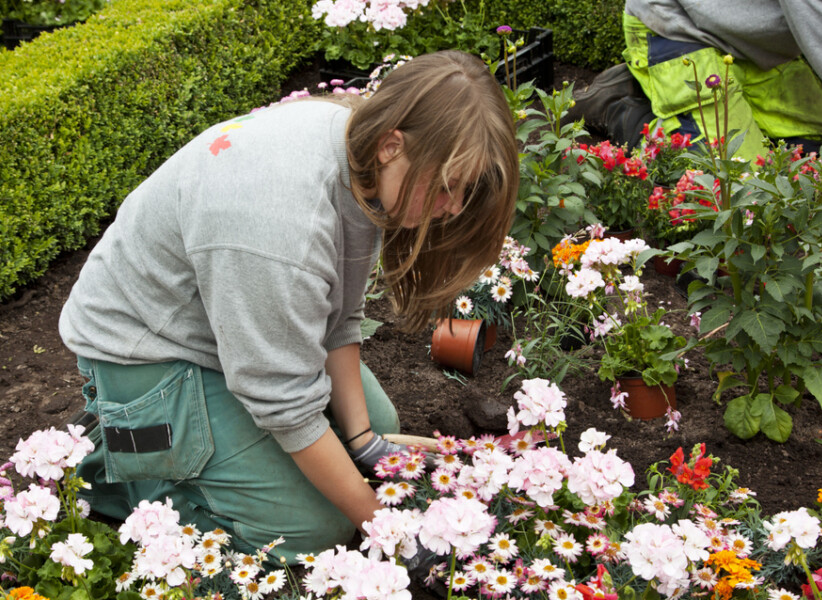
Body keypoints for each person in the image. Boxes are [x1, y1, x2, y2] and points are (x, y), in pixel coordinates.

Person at [58, 50, 518, 564]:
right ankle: (119, 464)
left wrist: (364, 442)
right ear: (395, 145)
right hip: (148, 355)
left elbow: (337, 318)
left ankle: (190, 450)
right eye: (448, 186)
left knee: (373, 424)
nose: (452, 207)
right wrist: (388, 533)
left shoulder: (357, 148)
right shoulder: (278, 224)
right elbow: (283, 401)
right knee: (315, 528)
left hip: (224, 327)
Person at [574, 0, 822, 166]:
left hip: (740, 42)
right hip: (677, 26)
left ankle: (667, 96)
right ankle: (624, 109)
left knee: (814, 143)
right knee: (734, 175)